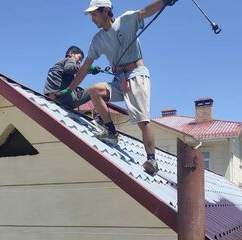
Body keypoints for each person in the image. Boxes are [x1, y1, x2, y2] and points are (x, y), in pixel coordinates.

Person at [57, 0, 178, 176]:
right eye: (91, 15)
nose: (92, 19)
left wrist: (164, 2)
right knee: (93, 90)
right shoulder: (97, 40)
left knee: (142, 119)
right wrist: (70, 89)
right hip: (118, 79)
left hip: (136, 75)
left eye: (94, 14)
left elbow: (145, 11)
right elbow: (84, 68)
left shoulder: (127, 20)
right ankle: (111, 132)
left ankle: (151, 159)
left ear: (106, 11)